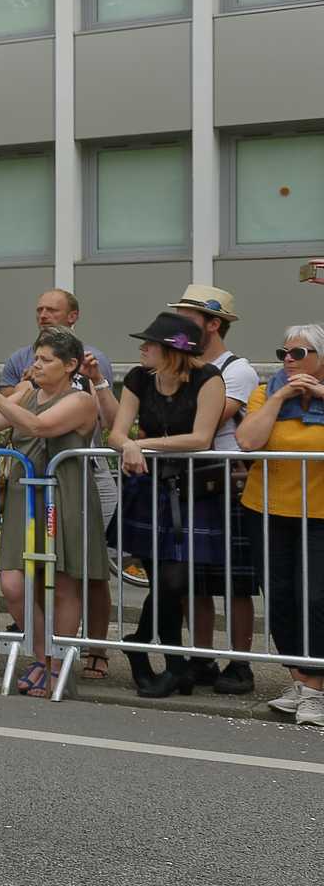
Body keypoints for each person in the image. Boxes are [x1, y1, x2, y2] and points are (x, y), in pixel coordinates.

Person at [0, 329, 117, 699]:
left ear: (71, 365)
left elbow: (40, 426)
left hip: (65, 494)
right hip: (24, 499)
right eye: (36, 358)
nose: (35, 366)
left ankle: (58, 667)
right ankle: (43, 657)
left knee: (62, 583)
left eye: (45, 360)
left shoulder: (81, 400)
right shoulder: (26, 393)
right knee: (13, 583)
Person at [108, 311, 227, 697]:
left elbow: (200, 438)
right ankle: (175, 666)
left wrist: (137, 444)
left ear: (173, 350)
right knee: (163, 579)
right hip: (150, 486)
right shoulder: (139, 378)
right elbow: (115, 432)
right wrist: (127, 443)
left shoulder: (208, 378)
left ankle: (140, 645)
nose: (142, 347)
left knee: (175, 580)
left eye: (150, 343)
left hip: (192, 487)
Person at [174, 284, 262, 692]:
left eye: (189, 317)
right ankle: (201, 656)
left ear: (213, 323)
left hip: (229, 481)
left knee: (236, 581)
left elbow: (204, 420)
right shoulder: (180, 365)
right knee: (196, 577)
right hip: (192, 479)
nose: (179, 324)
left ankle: (240, 662)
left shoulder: (237, 369)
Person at [237, 323, 324, 727]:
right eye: (283, 353)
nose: (288, 360)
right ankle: (300, 680)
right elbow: (248, 441)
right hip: (268, 509)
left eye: (299, 353)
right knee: (279, 597)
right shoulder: (267, 391)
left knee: (316, 599)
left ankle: (316, 689)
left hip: (319, 514)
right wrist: (281, 397)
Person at [0, 289, 81, 388]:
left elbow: (96, 401)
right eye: (39, 310)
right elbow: (4, 401)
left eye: (51, 310)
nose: (43, 315)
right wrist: (26, 384)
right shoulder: (18, 359)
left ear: (72, 317)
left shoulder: (91, 361)